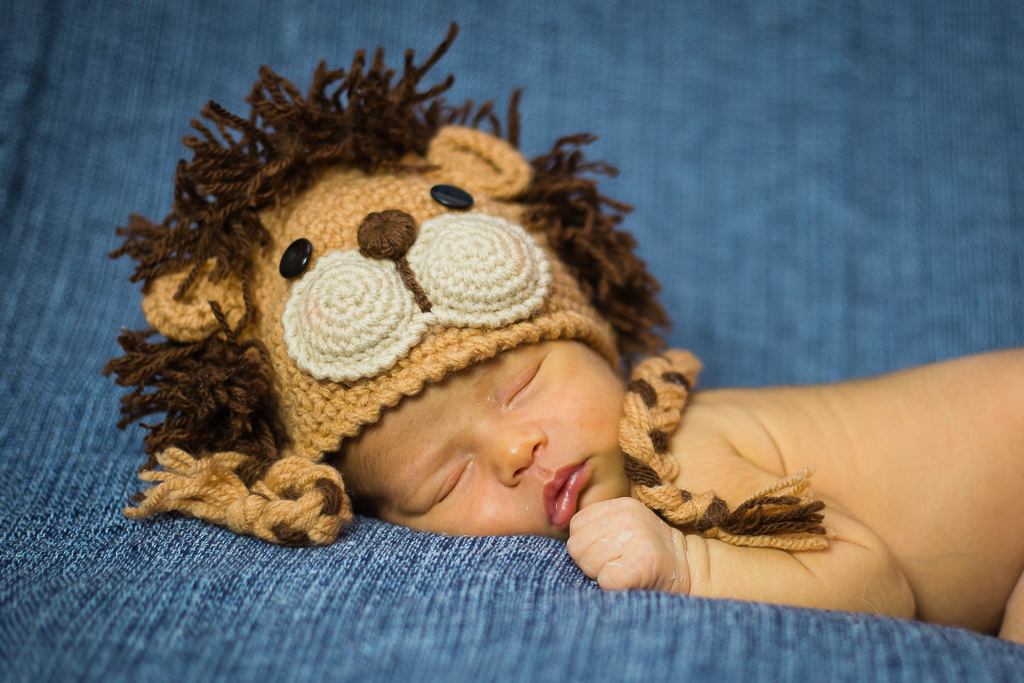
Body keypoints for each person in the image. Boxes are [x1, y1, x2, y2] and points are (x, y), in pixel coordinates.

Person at [336, 338, 1024, 643]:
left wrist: (687, 562)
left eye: (523, 385)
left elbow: (876, 584)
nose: (516, 450)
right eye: (448, 478)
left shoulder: (681, 456)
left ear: (600, 347)